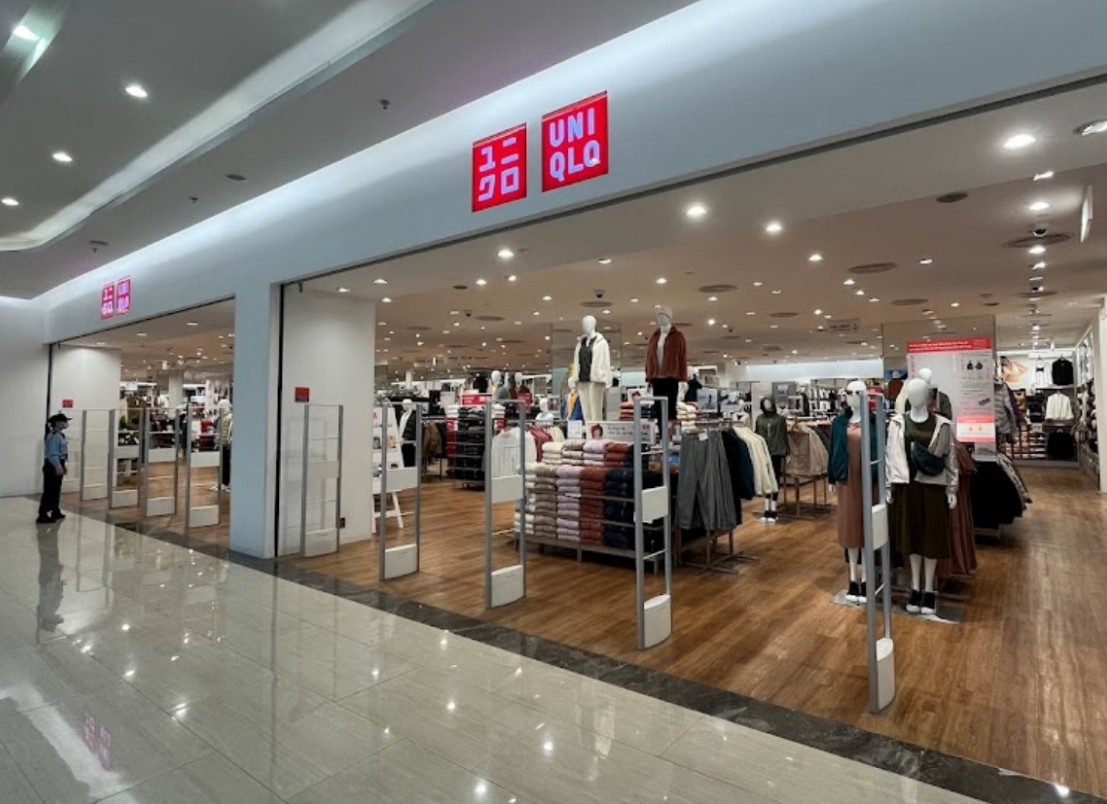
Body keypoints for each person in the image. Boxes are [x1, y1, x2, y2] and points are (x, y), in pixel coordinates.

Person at [38, 413, 70, 524]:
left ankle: (55, 511)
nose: (66, 424)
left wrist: (63, 465)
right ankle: (42, 514)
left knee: (56, 490)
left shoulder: (60, 435)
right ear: (57, 423)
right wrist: (57, 466)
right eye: (64, 421)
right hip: (52, 465)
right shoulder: (54, 436)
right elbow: (52, 454)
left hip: (58, 463)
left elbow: (62, 453)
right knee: (50, 490)